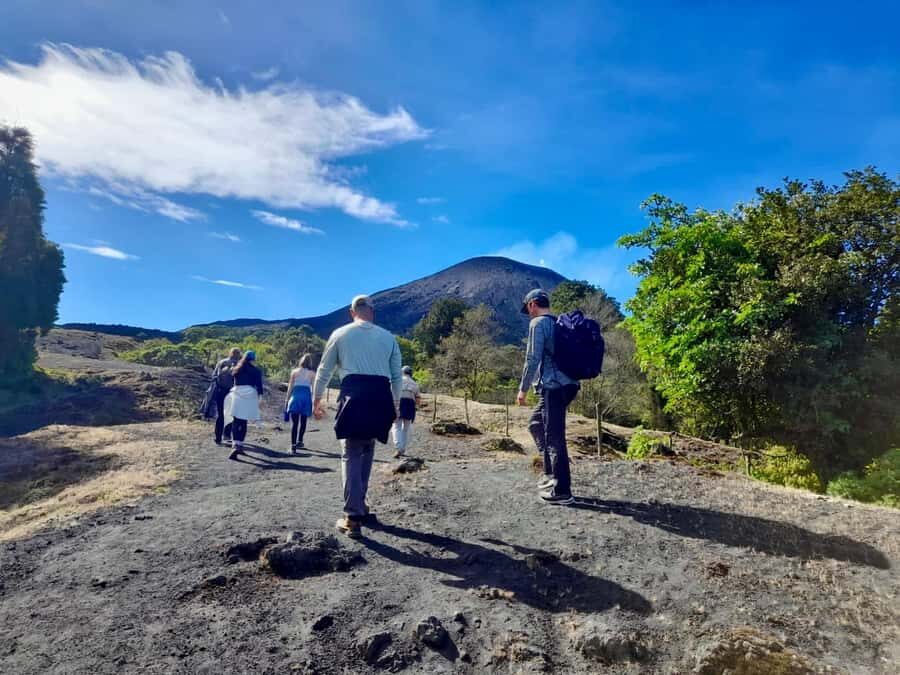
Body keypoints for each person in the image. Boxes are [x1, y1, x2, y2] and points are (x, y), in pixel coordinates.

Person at [313, 295, 402, 539]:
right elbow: (397, 376)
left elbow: (324, 369)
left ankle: (352, 517)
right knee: (367, 448)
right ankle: (360, 506)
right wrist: (395, 406)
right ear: (371, 312)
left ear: (352, 312)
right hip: (380, 396)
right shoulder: (388, 337)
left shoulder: (340, 334)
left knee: (350, 452)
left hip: (354, 395)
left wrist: (316, 398)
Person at [517, 289, 580, 505]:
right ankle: (551, 475)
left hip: (554, 386)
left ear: (533, 304)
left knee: (554, 436)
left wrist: (523, 389)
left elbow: (532, 358)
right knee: (536, 424)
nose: (528, 313)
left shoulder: (538, 323)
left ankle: (562, 490)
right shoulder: (558, 322)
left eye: (528, 308)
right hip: (568, 384)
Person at [224, 350, 264, 460]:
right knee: (244, 420)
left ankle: (235, 445)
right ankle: (240, 445)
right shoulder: (256, 371)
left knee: (236, 420)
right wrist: (260, 398)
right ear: (253, 359)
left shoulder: (237, 369)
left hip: (237, 394)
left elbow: (232, 379)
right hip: (249, 395)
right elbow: (259, 386)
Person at [285, 353, 315, 452]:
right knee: (303, 421)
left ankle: (293, 446)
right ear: (309, 362)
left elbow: (290, 387)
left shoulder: (294, 372)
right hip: (306, 397)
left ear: (301, 361)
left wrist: (287, 399)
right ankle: (300, 440)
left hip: (295, 397)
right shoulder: (312, 373)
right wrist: (314, 401)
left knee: (294, 423)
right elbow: (313, 388)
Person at [212, 348, 241, 445]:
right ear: (238, 355)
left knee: (220, 415)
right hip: (232, 393)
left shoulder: (221, 362)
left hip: (220, 391)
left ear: (230, 353)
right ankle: (227, 435)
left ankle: (218, 437)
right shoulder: (239, 365)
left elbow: (214, 376)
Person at [391, 365, 421, 459]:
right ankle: (402, 449)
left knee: (396, 426)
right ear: (410, 373)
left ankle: (398, 447)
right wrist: (415, 407)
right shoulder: (415, 383)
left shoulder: (397, 381)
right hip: (410, 405)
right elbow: (418, 398)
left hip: (398, 403)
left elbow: (391, 393)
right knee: (406, 428)